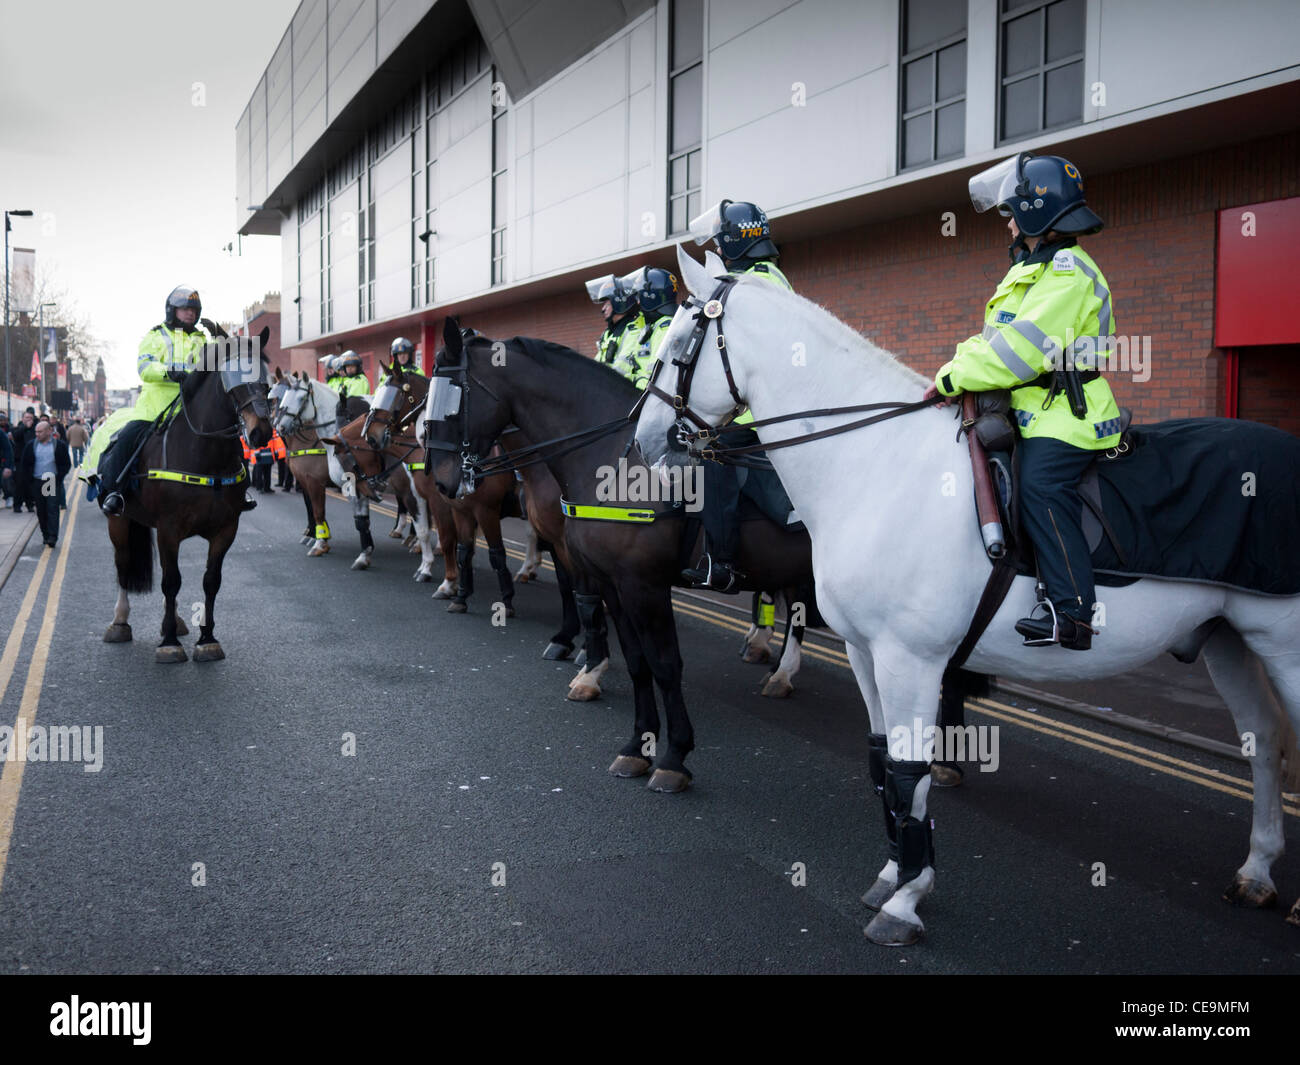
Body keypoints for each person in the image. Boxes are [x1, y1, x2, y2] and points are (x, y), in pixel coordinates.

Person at [923, 152, 1120, 651]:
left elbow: (1019, 355)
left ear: (1036, 213)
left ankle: (1071, 613)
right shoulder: (1030, 269)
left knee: (1040, 485)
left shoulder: (1068, 273)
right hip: (1031, 408)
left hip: (1067, 417)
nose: (1007, 223)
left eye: (1012, 212)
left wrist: (953, 379)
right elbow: (990, 339)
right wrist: (951, 369)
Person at [681, 200, 792, 592]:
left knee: (713, 453)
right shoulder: (759, 276)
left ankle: (722, 562)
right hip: (756, 407)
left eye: (717, 243)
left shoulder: (756, 284)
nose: (715, 250)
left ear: (733, 242)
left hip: (761, 412)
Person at [85, 285, 256, 516]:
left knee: (232, 440)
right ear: (172, 310)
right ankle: (114, 492)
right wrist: (168, 371)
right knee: (128, 439)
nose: (190, 314)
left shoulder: (201, 339)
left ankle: (241, 490)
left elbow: (221, 363)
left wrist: (220, 337)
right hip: (156, 409)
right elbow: (144, 367)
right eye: (185, 309)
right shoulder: (156, 335)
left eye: (194, 310)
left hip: (192, 410)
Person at [618, 267, 680, 390]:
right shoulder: (654, 325)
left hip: (646, 397)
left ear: (650, 297)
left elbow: (655, 378)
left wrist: (630, 383)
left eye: (639, 297)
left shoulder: (665, 327)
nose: (638, 303)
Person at [18, 418, 71, 547]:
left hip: (51, 481)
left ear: (49, 431)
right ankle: (45, 534)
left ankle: (52, 537)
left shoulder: (59, 445)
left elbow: (66, 464)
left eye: (40, 432)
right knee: (41, 510)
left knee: (52, 509)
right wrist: (29, 481)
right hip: (37, 481)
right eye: (36, 432)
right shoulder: (31, 445)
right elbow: (24, 464)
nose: (37, 434)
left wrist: (58, 478)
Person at [586, 274, 645, 373]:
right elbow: (598, 361)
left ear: (619, 303)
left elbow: (623, 366)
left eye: (607, 304)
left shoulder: (634, 329)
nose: (603, 309)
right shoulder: (608, 333)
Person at [9, 411, 36, 513]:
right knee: (19, 483)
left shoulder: (35, 430)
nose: (28, 419)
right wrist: (25, 427)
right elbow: (16, 436)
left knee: (29, 484)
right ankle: (17, 505)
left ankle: (30, 504)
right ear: (22, 419)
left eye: (30, 418)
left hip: (31, 461)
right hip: (19, 460)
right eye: (26, 417)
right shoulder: (17, 428)